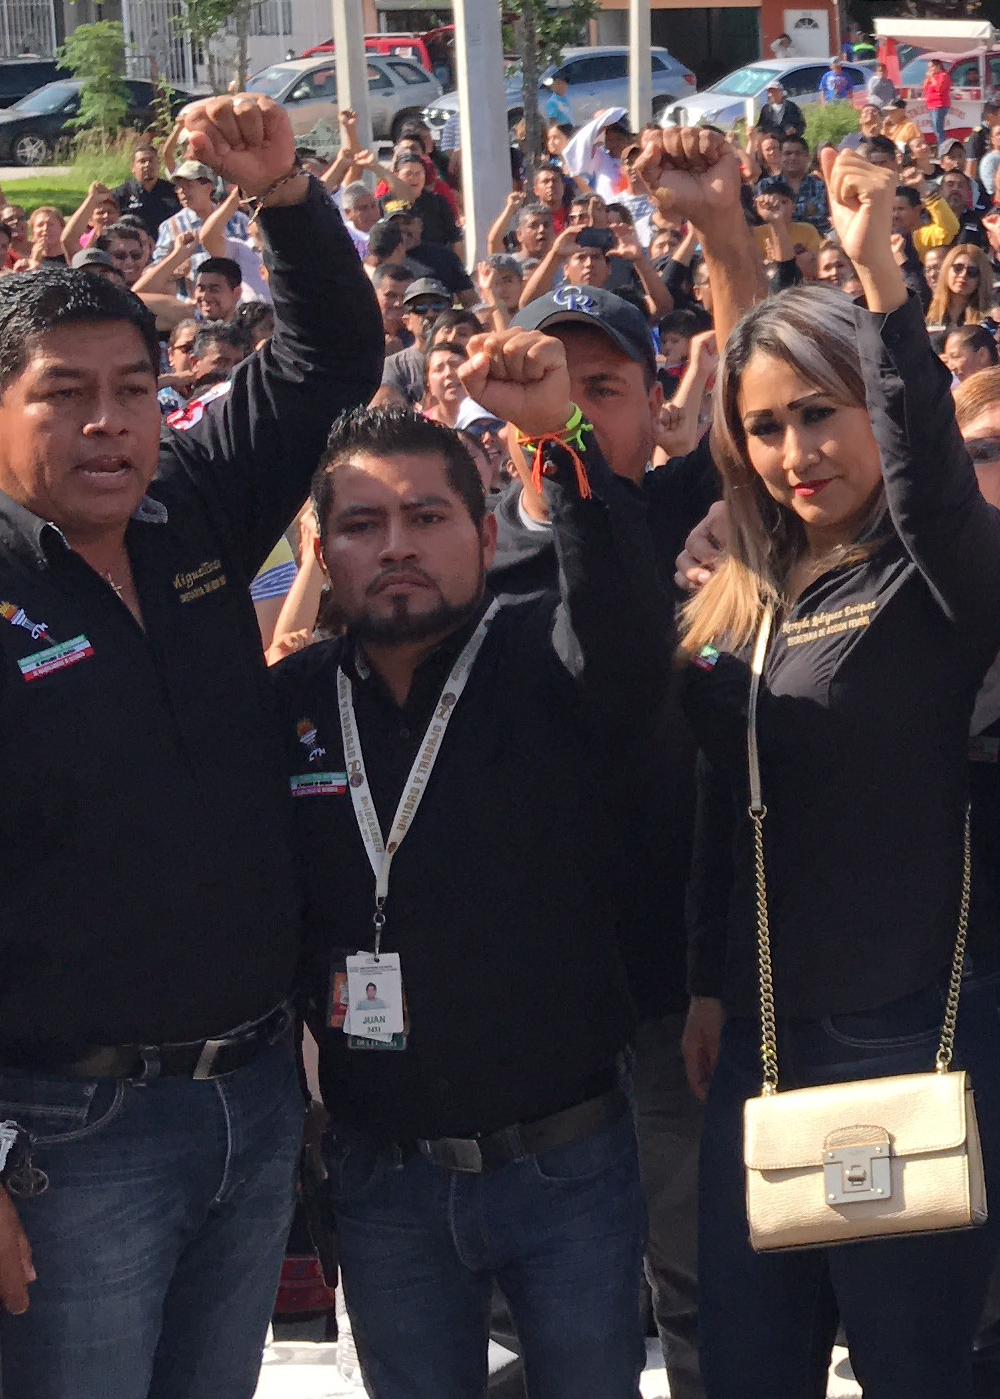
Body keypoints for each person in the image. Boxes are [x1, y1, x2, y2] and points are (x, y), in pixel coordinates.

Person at [0, 93, 383, 1399]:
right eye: (66, 397)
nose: (112, 425)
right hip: (70, 1133)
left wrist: (286, 200)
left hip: (248, 1098)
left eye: (138, 390)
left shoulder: (187, 517)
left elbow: (330, 363)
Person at [671, 143, 1000, 1396]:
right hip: (768, 1035)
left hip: (919, 1026)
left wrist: (885, 293)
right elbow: (732, 801)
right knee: (747, 1371)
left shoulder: (944, 573)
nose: (795, 453)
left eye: (818, 414)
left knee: (917, 1374)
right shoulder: (747, 594)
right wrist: (710, 987)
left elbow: (936, 480)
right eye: (765, 428)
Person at [278, 361, 671, 1399]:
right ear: (320, 552)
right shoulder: (293, 706)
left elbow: (635, 644)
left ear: (488, 535)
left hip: (567, 1160)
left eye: (427, 516)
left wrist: (567, 440)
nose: (396, 545)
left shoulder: (555, 660)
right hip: (380, 1168)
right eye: (362, 524)